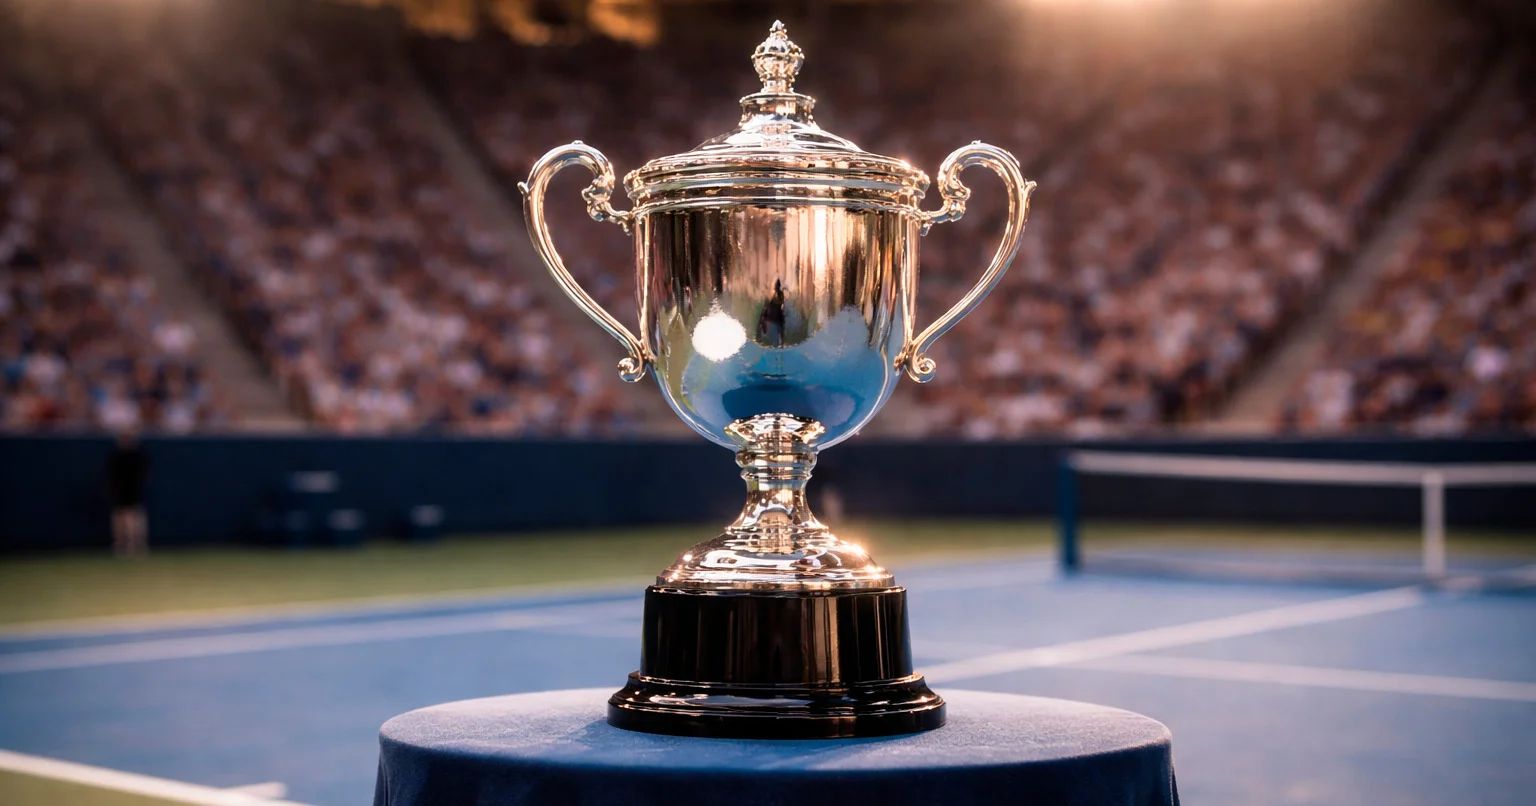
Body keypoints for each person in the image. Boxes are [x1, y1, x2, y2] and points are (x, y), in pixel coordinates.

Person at [107, 430, 150, 557]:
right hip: (120, 491)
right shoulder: (116, 456)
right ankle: (121, 545)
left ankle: (135, 545)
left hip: (132, 490)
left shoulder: (137, 455)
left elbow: (145, 473)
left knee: (133, 517)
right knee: (119, 517)